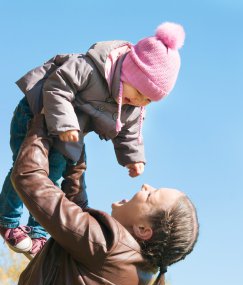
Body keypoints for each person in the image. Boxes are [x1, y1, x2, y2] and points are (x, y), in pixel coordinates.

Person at [2, 115, 198, 285]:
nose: (145, 185)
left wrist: (44, 119)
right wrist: (75, 148)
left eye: (151, 195)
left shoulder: (107, 245)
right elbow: (77, 215)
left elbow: (28, 178)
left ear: (143, 230)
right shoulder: (135, 262)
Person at [0, 21, 185, 257]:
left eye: (148, 101)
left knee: (53, 177)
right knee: (26, 167)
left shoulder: (133, 105)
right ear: (127, 72)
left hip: (67, 133)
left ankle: (38, 233)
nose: (140, 102)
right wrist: (65, 123)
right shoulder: (90, 68)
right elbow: (57, 86)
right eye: (139, 93)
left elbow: (129, 131)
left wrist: (133, 158)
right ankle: (8, 220)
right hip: (36, 113)